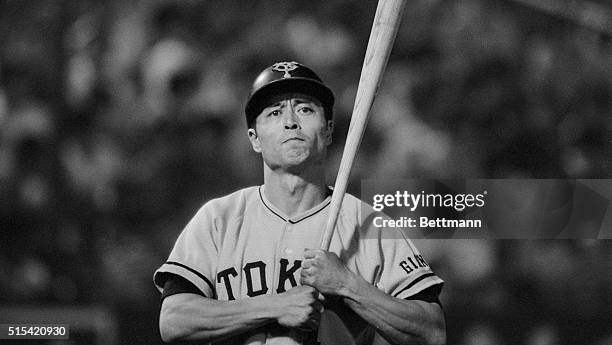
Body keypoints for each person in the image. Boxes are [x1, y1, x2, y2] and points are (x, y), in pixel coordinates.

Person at [154, 61, 446, 345]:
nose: (291, 121)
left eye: (305, 109)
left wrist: (347, 285)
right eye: (274, 113)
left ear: (328, 130)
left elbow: (432, 331)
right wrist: (274, 306)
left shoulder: (365, 222)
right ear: (254, 139)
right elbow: (174, 320)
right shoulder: (219, 218)